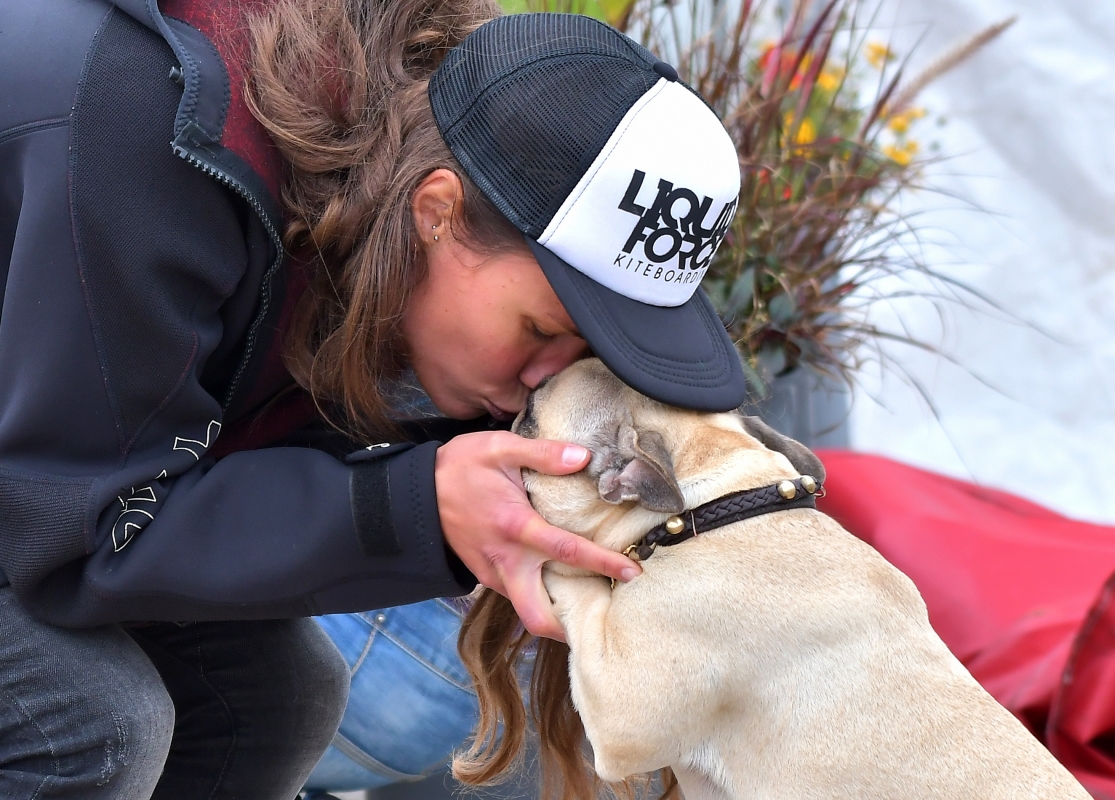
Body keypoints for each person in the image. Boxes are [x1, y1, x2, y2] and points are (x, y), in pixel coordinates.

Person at [0, 0, 744, 797]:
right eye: (539, 329)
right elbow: (75, 537)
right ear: (438, 212)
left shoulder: (376, 176)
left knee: (277, 700)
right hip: (41, 510)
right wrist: (416, 508)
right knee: (90, 721)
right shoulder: (159, 133)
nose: (543, 378)